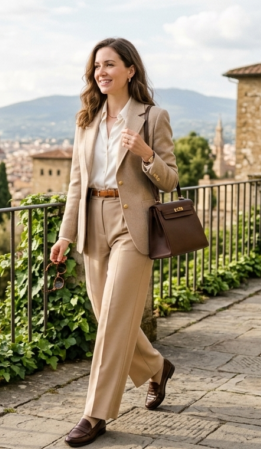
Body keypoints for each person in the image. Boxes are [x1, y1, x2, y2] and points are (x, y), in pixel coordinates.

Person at [50, 37, 179, 447]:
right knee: (108, 316)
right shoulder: (85, 119)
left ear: (130, 70)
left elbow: (171, 179)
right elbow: (75, 183)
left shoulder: (153, 117)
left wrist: (145, 154)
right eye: (96, 67)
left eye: (109, 64)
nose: (100, 72)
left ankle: (95, 414)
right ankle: (158, 368)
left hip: (133, 225)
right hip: (92, 222)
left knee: (113, 323)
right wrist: (65, 234)